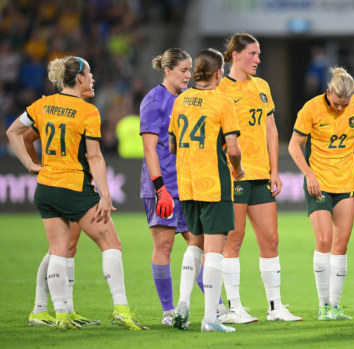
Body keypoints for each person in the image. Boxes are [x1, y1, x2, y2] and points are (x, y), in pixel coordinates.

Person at [6, 56, 146, 330]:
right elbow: (95, 158)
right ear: (79, 78)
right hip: (74, 189)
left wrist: (32, 165)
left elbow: (15, 132)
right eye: (90, 73)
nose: (93, 78)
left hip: (46, 188)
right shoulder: (87, 112)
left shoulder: (43, 105)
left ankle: (61, 313)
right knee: (111, 244)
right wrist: (105, 195)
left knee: (60, 250)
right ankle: (120, 308)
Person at [216, 33, 301, 323]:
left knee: (271, 240)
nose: (258, 59)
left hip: (261, 175)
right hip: (233, 175)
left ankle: (275, 307)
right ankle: (234, 307)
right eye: (252, 53)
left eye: (259, 53)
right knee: (234, 240)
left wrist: (274, 170)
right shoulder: (220, 89)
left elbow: (271, 130)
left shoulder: (262, 86)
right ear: (235, 55)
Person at [168, 48, 244, 333]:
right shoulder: (223, 101)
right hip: (213, 181)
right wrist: (238, 168)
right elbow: (233, 147)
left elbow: (172, 144)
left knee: (194, 245)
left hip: (186, 182)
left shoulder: (181, 100)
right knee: (215, 250)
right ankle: (211, 317)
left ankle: (183, 305)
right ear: (218, 73)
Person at [288, 66, 354, 321]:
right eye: (336, 103)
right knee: (324, 240)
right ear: (328, 93)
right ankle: (323, 305)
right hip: (319, 183)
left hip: (346, 182)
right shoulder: (311, 108)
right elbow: (294, 146)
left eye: (344, 105)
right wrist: (309, 175)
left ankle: (335, 307)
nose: (340, 109)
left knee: (341, 244)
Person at [140, 48, 207, 325]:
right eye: (183, 70)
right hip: (163, 187)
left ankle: (217, 306)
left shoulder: (188, 99)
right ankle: (168, 311)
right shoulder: (154, 100)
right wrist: (160, 189)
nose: (188, 76)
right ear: (167, 71)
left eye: (190, 70)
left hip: (188, 186)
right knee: (164, 246)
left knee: (199, 245)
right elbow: (149, 149)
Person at [22, 128, 100, 327]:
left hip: (79, 184)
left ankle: (67, 309)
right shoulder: (59, 111)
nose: (92, 93)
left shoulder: (83, 115)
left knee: (69, 248)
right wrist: (36, 165)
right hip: (64, 184)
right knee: (60, 248)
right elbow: (26, 137)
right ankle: (40, 310)